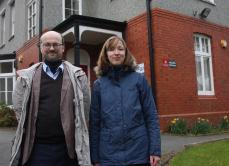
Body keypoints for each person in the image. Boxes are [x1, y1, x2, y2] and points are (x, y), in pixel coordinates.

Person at [10, 31, 91, 166]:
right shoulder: (26, 77)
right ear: (41, 48)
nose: (52, 48)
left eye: (56, 44)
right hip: (37, 149)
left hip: (68, 150)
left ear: (63, 48)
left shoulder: (78, 76)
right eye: (47, 45)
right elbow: (20, 111)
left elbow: (85, 111)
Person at [89, 36, 161, 166]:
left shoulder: (139, 80)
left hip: (138, 153)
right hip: (108, 155)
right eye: (111, 49)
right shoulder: (98, 85)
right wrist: (95, 158)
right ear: (105, 54)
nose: (116, 52)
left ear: (126, 53)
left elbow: (151, 116)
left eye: (120, 49)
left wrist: (155, 150)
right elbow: (94, 124)